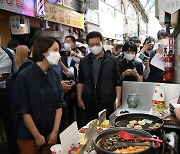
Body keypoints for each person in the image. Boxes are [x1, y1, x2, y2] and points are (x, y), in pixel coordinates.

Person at [11, 36, 66, 154]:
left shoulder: (54, 75)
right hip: (29, 134)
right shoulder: (24, 76)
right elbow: (23, 110)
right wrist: (36, 135)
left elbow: (59, 105)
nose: (58, 54)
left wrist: (55, 132)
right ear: (43, 51)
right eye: (55, 50)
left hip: (49, 133)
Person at [77, 31, 122, 127]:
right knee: (91, 128)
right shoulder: (84, 61)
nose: (95, 47)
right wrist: (79, 98)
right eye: (91, 45)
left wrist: (118, 98)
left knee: (107, 127)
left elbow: (117, 81)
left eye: (97, 44)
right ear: (88, 46)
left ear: (102, 43)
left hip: (107, 100)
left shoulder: (111, 60)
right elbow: (80, 81)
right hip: (89, 101)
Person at [0, 45, 18, 154]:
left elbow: (15, 72)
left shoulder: (9, 53)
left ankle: (14, 149)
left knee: (10, 123)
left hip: (6, 92)